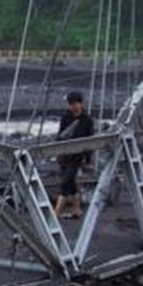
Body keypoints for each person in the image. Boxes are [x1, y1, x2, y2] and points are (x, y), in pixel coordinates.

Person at [55, 90, 95, 219]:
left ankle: (57, 212)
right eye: (70, 104)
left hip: (78, 155)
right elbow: (60, 135)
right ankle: (76, 209)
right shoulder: (65, 117)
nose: (72, 106)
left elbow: (90, 141)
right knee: (71, 182)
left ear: (81, 103)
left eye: (74, 103)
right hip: (64, 155)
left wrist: (88, 161)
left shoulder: (87, 120)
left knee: (65, 182)